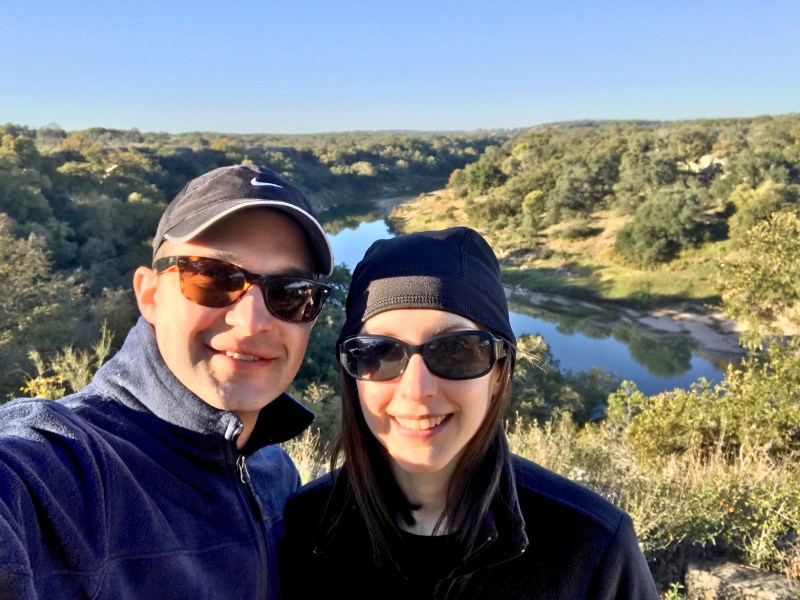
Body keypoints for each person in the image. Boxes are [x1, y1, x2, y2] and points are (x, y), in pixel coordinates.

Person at [0, 163, 334, 599]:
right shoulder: (69, 468)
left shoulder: (273, 472)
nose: (252, 322)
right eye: (213, 277)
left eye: (291, 293)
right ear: (150, 295)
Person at [279, 226, 660, 599]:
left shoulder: (591, 548)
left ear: (499, 372)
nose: (417, 390)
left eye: (456, 350)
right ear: (352, 372)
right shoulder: (304, 526)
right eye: (379, 351)